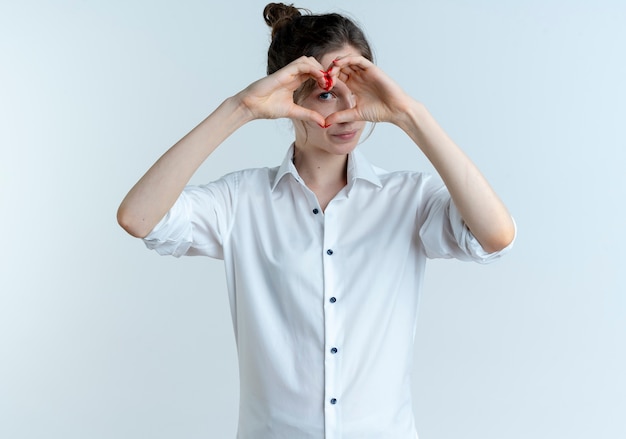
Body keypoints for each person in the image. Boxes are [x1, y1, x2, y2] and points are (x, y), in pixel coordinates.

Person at [117, 3, 516, 438]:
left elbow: (495, 235)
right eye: (326, 93)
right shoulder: (242, 201)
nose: (347, 110)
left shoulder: (408, 199)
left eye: (357, 89)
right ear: (290, 99)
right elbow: (139, 217)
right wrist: (242, 107)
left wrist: (408, 114)